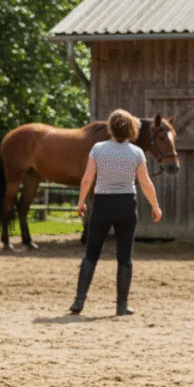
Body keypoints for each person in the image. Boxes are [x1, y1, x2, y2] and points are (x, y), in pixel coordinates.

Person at [71, 109, 162, 316]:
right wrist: (155, 206)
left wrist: (81, 202)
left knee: (91, 254)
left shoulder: (98, 148)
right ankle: (121, 305)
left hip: (102, 205)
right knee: (124, 257)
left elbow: (87, 179)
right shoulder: (136, 153)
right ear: (131, 129)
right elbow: (145, 182)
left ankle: (79, 301)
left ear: (110, 128)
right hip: (126, 206)